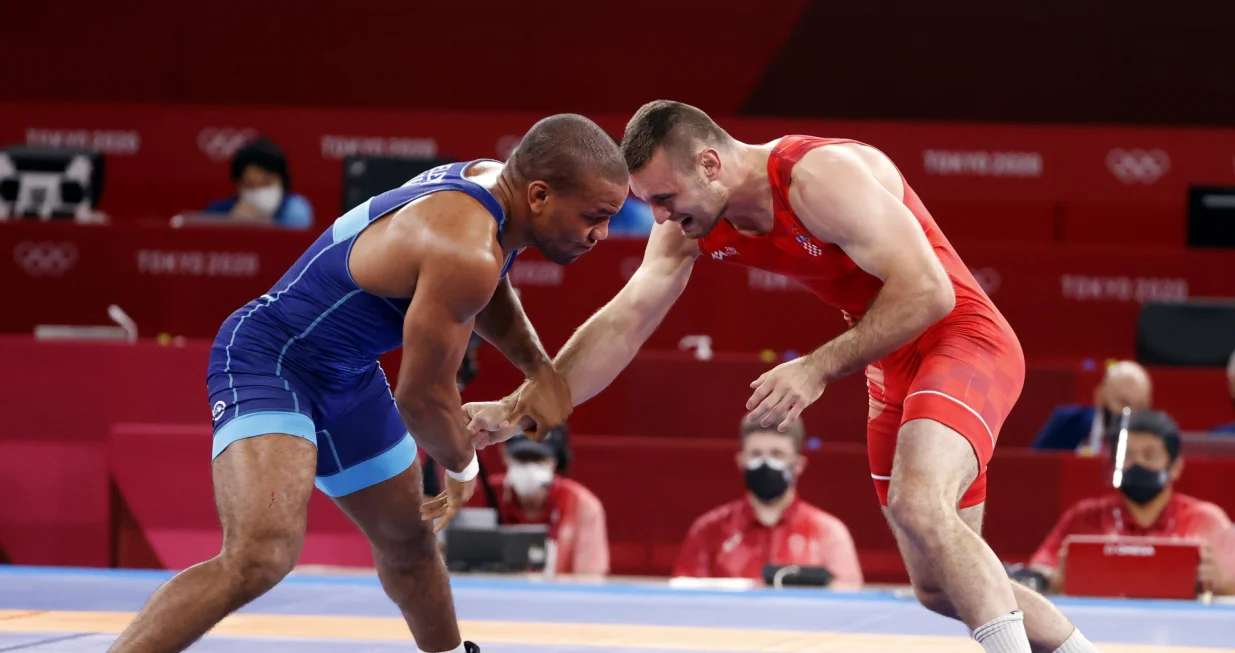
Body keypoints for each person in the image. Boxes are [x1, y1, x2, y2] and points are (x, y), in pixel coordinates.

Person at [468, 101, 1097, 653]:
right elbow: (626, 322)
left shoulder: (818, 177)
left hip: (965, 338)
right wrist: (523, 407)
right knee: (940, 587)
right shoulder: (692, 222)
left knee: (918, 500)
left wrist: (818, 366)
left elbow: (930, 293)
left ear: (710, 164)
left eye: (664, 200)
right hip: (892, 359)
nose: (658, 219)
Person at [106, 114, 629, 653]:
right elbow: (422, 398)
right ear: (539, 195)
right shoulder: (466, 246)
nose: (602, 234)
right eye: (595, 217)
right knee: (261, 556)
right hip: (271, 359)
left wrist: (538, 369)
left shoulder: (494, 186)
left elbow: (484, 284)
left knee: (410, 545)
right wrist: (462, 465)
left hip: (347, 373)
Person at [1028, 410, 1233, 595]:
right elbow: (1038, 569)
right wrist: (1053, 579)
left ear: (1176, 467)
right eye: (1127, 455)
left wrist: (1223, 585)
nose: (1137, 464)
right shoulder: (1084, 517)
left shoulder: (1205, 520)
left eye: (1149, 455)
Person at [673, 415, 862, 589]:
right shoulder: (707, 531)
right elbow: (685, 604)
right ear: (741, 461)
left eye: (777, 454)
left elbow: (848, 610)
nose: (765, 463)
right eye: (756, 454)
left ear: (798, 465)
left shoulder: (829, 533)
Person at [487, 431, 609, 577]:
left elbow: (591, 580)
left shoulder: (582, 505)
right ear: (505, 455)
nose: (529, 468)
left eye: (538, 459)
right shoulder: (484, 497)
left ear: (555, 460)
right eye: (521, 459)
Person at [1031, 361, 1153, 452]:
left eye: (1138, 406)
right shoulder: (1067, 422)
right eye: (1122, 402)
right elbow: (1038, 467)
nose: (1129, 412)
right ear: (1099, 397)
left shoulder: (1152, 438)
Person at [203, 137, 315, 229]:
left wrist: (261, 224)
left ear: (281, 180)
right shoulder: (218, 211)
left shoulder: (295, 208)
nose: (258, 190)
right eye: (250, 184)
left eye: (266, 183)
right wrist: (233, 223)